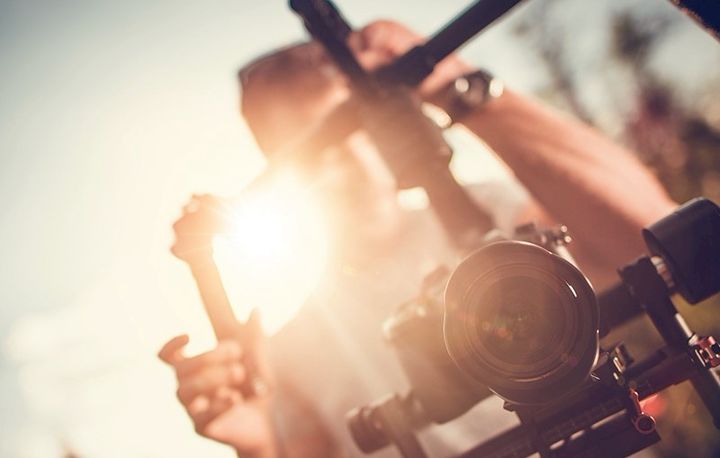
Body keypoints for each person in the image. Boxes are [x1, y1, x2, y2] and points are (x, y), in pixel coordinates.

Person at [158, 20, 677, 458]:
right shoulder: (295, 354)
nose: (343, 165)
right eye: (311, 153)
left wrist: (459, 86)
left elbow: (663, 238)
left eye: (350, 126)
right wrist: (260, 443)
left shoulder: (497, 214)